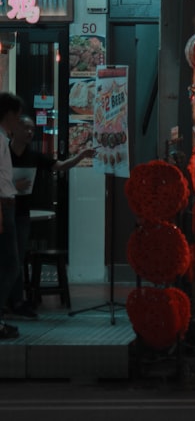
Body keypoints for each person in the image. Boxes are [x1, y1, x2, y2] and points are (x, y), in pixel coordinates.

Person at [6, 115, 96, 319]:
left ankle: (16, 302)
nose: (30, 132)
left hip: (21, 213)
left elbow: (60, 166)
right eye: (25, 128)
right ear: (13, 130)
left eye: (32, 129)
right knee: (8, 259)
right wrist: (13, 185)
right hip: (3, 211)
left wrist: (81, 155)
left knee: (17, 258)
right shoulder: (4, 154)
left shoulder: (35, 156)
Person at [0, 92, 25, 339]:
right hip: (3, 206)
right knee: (10, 266)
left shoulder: (3, 139)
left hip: (6, 204)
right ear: (8, 114)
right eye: (17, 115)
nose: (19, 121)